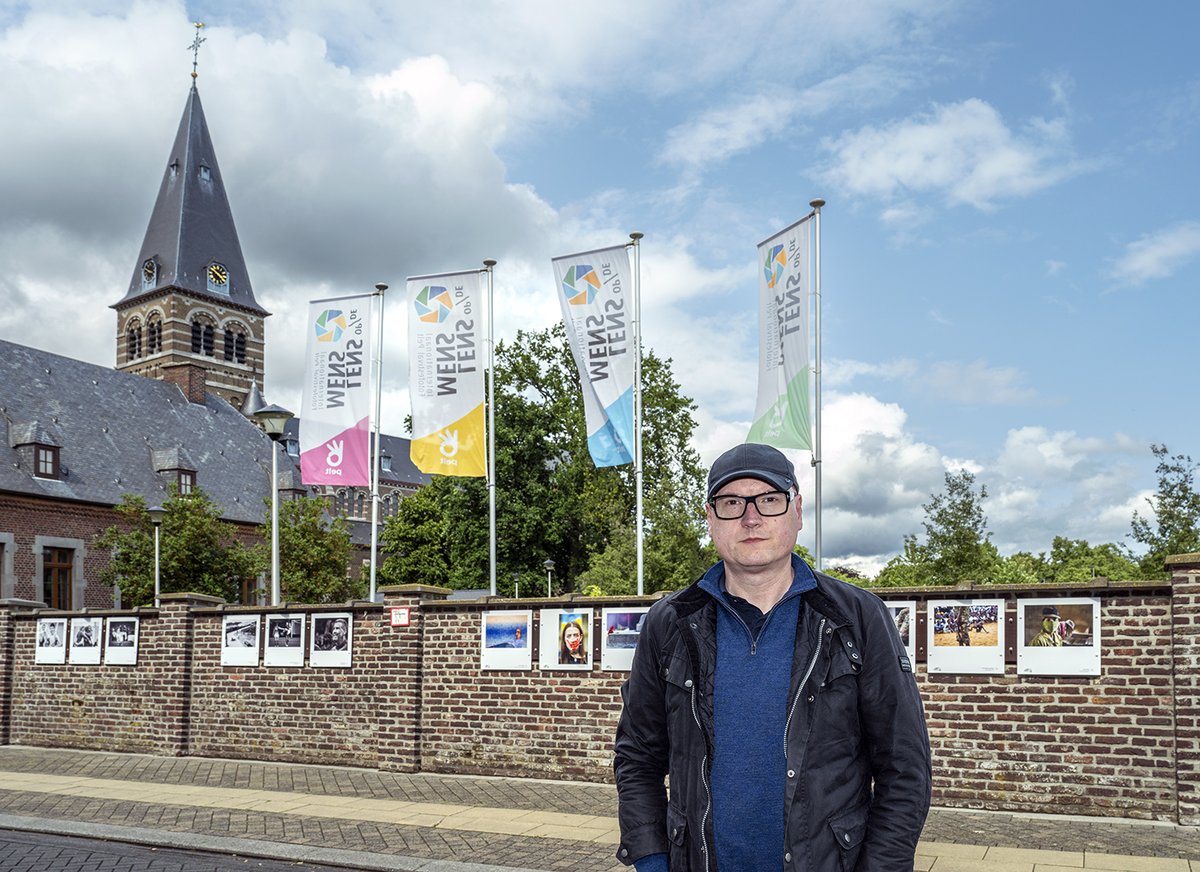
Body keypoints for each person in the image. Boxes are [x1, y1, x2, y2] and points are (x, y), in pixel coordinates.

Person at [614, 443, 932, 871]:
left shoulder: (856, 617)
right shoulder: (669, 622)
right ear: (710, 518)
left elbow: (904, 765)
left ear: (797, 511)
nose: (751, 517)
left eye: (769, 500)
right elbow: (637, 754)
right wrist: (652, 860)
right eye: (731, 503)